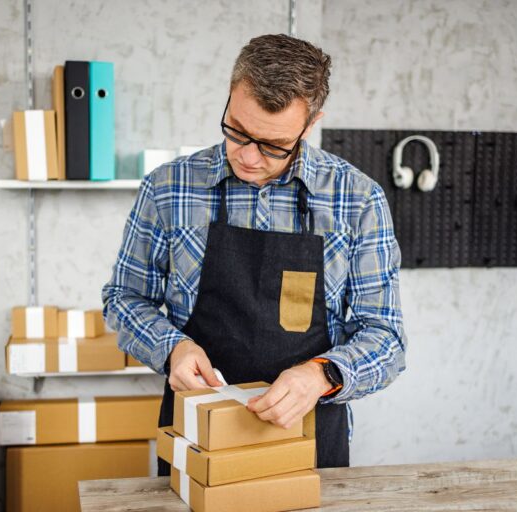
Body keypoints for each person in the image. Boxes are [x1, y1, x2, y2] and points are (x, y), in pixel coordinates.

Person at [102, 33, 406, 474]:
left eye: (273, 145)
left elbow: (387, 338)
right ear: (230, 94)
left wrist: (322, 375)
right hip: (198, 433)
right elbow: (124, 298)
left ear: (311, 122)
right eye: (237, 131)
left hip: (309, 439)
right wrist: (173, 349)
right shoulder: (168, 189)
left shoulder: (357, 200)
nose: (247, 156)